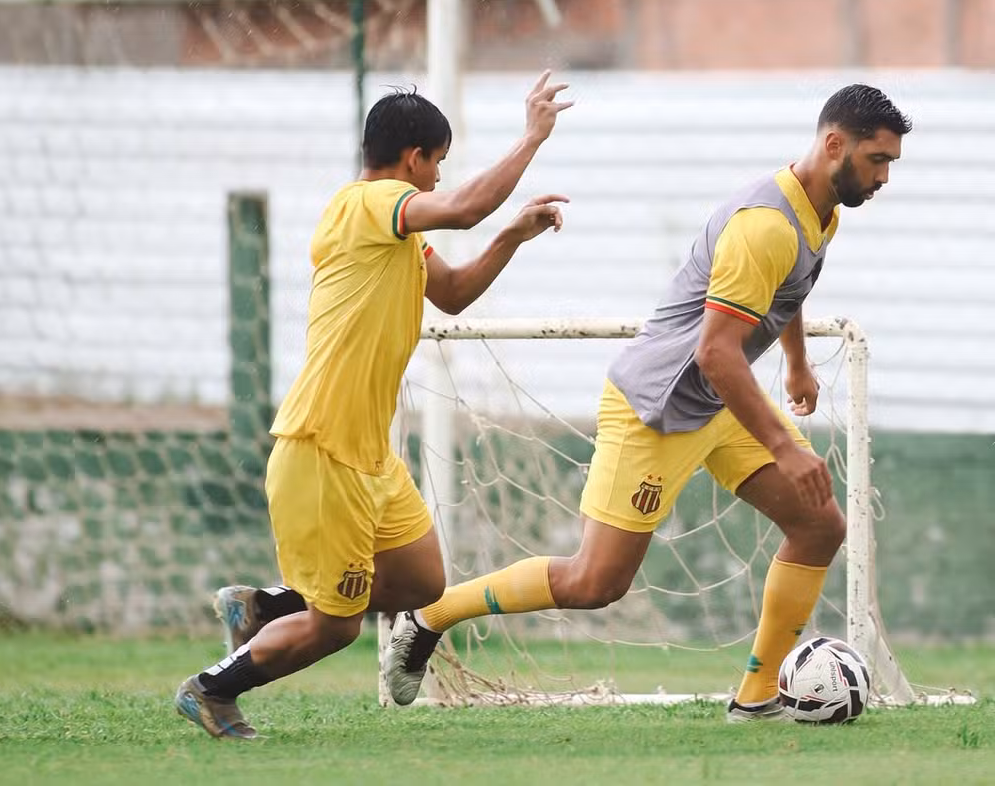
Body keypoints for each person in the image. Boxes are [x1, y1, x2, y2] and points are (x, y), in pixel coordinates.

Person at [380, 83, 912, 721]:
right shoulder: (764, 226)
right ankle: (429, 616)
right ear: (835, 145)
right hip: (656, 409)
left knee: (820, 523)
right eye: (878, 160)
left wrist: (796, 362)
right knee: (593, 583)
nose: (884, 177)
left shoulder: (819, 211)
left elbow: (786, 287)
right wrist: (781, 447)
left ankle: (755, 696)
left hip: (716, 404)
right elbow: (717, 351)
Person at [174, 71, 573, 739]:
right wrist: (532, 138)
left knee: (421, 580)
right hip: (322, 447)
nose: (441, 178)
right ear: (412, 159)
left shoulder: (401, 233)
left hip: (368, 456)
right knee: (338, 627)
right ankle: (212, 689)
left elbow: (451, 294)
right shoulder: (368, 205)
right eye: (439, 163)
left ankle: (267, 604)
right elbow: (464, 208)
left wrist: (511, 237)